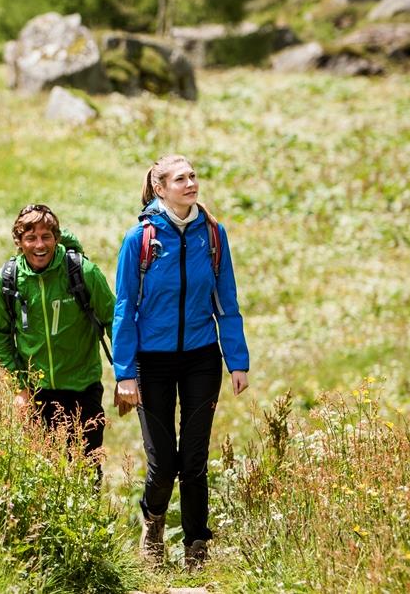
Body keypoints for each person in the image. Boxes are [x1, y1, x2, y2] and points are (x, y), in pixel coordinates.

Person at [111, 155, 250, 569]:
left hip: (201, 358)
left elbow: (227, 303)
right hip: (151, 362)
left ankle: (196, 546)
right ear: (160, 189)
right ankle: (152, 525)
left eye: (193, 176)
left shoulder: (213, 235)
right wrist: (124, 374)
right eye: (180, 178)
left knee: (193, 458)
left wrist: (236, 361)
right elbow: (124, 307)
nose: (190, 183)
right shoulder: (140, 239)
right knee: (164, 462)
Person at [0, 203, 115, 466]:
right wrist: (20, 388)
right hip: (37, 395)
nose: (39, 245)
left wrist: (128, 375)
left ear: (57, 238)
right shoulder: (6, 281)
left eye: (46, 236)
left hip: (83, 388)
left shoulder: (82, 272)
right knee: (44, 475)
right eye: (30, 238)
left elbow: (114, 320)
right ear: (18, 241)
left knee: (87, 471)